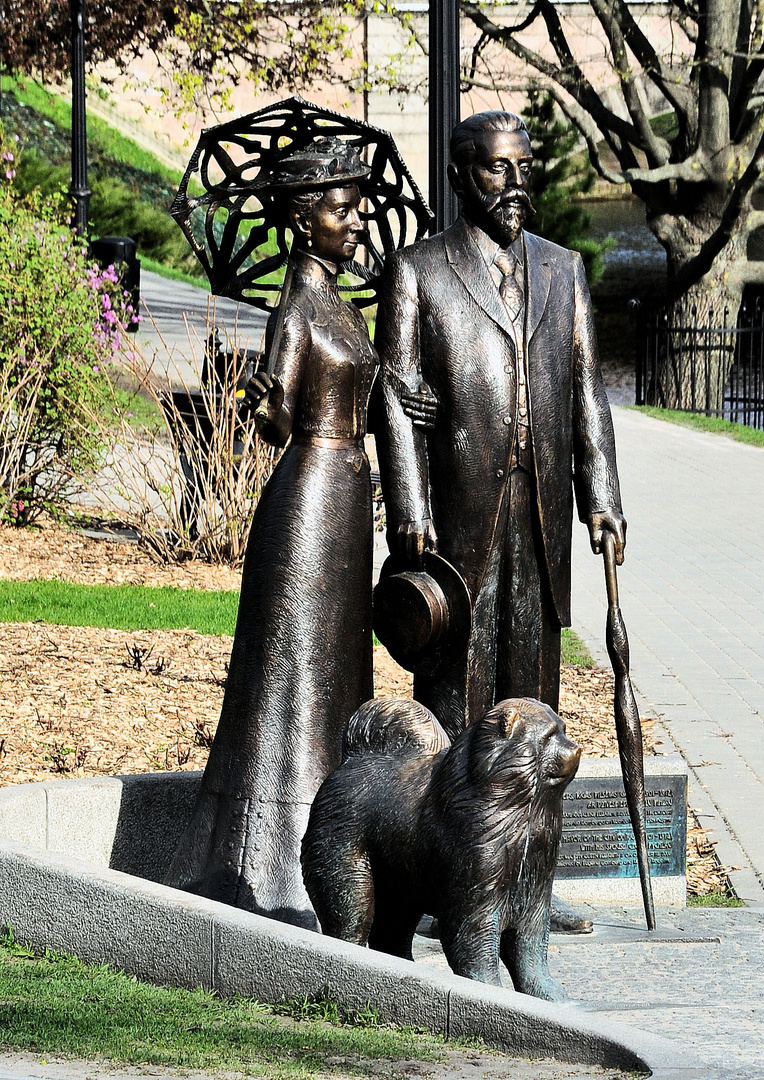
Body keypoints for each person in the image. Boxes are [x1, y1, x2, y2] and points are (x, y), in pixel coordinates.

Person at [375, 112, 625, 930]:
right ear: (459, 176)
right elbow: (396, 400)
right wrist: (409, 509)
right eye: (495, 170)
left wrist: (604, 498)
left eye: (524, 168)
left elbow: (587, 392)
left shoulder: (563, 271)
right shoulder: (419, 272)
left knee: (534, 701)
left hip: (544, 518)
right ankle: (447, 884)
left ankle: (524, 890)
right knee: (455, 699)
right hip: (457, 521)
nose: (515, 183)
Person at [166, 139, 378, 930]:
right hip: (311, 502)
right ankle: (275, 862)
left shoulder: (341, 302)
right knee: (295, 673)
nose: (353, 222)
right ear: (300, 220)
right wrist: (264, 402)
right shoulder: (297, 304)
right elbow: (276, 414)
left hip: (346, 504)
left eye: (356, 206)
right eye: (339, 207)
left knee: (335, 671)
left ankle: (341, 853)